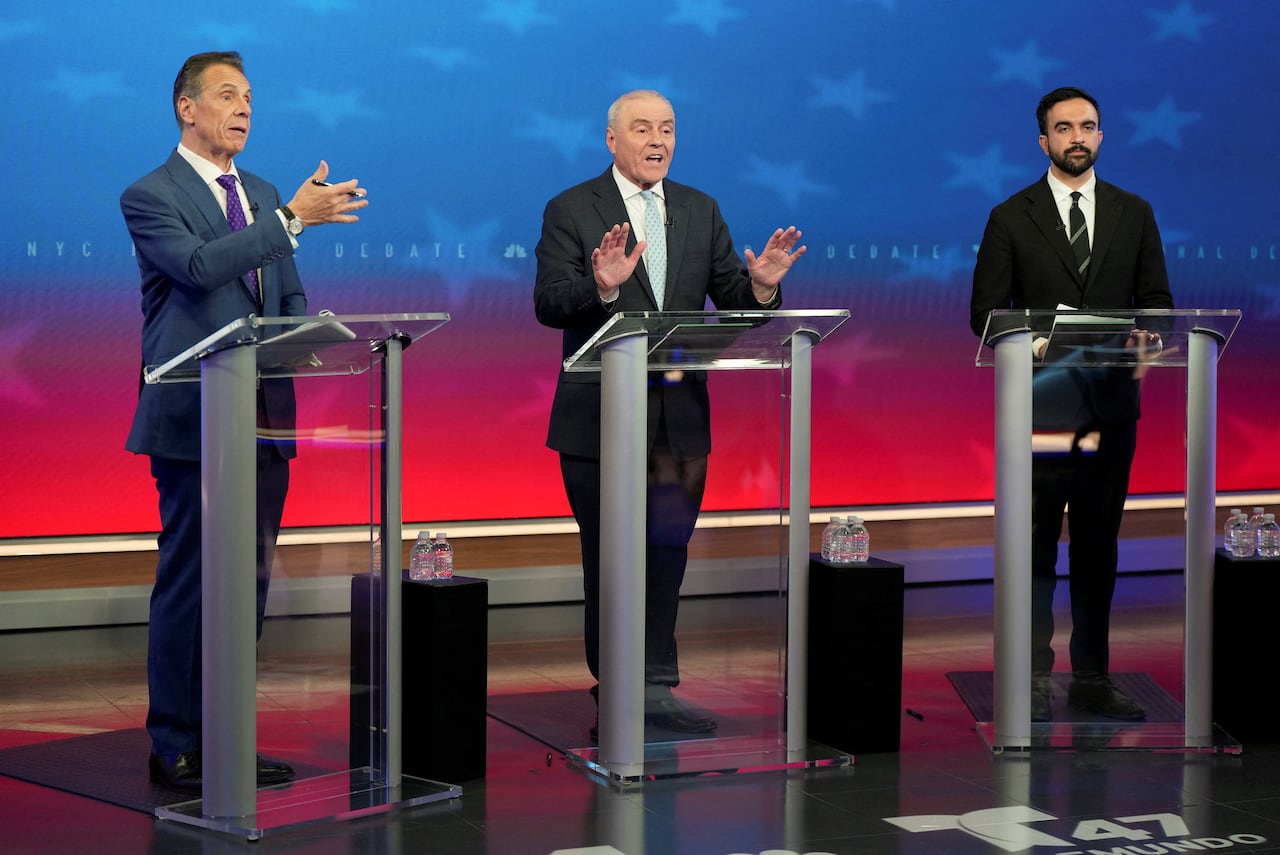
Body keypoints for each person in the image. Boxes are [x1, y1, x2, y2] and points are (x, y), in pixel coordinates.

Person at [122, 51, 367, 790]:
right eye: (228, 95)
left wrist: (302, 336)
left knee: (248, 586)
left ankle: (228, 726)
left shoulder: (258, 191)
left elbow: (286, 299)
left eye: (251, 98)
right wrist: (291, 219)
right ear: (185, 108)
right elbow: (198, 266)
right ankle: (175, 742)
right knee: (193, 582)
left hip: (262, 419)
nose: (244, 108)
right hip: (193, 417)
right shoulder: (149, 194)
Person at [534, 90, 805, 740]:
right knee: (611, 559)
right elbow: (548, 302)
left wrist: (763, 283)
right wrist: (599, 285)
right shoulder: (571, 208)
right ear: (611, 139)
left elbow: (734, 300)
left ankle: (656, 688)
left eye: (668, 129)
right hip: (598, 423)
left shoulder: (698, 208)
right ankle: (617, 690)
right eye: (642, 128)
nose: (657, 140)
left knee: (665, 557)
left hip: (679, 424)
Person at [970, 86, 1174, 722]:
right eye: (1064, 128)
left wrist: (1151, 336)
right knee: (1033, 547)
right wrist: (1035, 341)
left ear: (1102, 136)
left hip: (1112, 409)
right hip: (1039, 412)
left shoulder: (1134, 212)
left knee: (1097, 548)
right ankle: (1030, 676)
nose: (1077, 137)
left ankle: (1092, 676)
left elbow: (1159, 302)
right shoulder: (1010, 216)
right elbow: (984, 314)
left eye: (1088, 126)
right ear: (1044, 141)